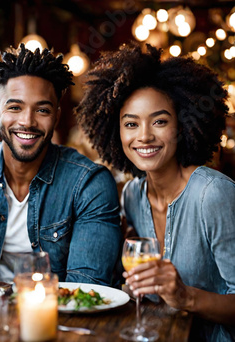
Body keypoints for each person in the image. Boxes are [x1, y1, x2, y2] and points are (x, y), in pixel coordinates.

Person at [75, 42, 235, 341]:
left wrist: (186, 297)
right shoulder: (132, 195)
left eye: (159, 121)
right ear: (115, 132)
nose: (144, 136)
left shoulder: (213, 195)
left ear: (183, 125)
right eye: (131, 124)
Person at [0, 44, 122, 284]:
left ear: (56, 115)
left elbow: (85, 290)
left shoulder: (89, 183)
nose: (27, 122)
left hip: (61, 316)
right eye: (15, 107)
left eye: (42, 110)